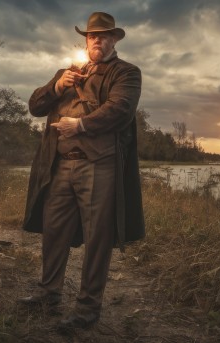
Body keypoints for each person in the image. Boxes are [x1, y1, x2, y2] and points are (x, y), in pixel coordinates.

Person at [19, 11, 146, 329]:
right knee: (54, 231)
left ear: (115, 39)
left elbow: (120, 110)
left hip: (98, 166)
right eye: (92, 36)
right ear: (86, 40)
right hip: (59, 166)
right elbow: (35, 106)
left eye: (104, 35)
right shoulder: (67, 72)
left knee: (98, 239)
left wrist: (81, 125)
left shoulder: (126, 73)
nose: (97, 40)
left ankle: (88, 309)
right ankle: (49, 294)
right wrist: (58, 86)